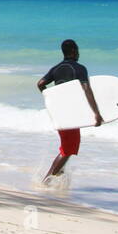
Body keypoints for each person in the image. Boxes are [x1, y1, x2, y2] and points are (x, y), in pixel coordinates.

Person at [37, 39, 102, 182]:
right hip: (71, 114)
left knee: (68, 147)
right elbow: (87, 90)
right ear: (73, 51)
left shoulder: (56, 68)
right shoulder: (80, 68)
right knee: (68, 149)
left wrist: (51, 99)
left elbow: (40, 84)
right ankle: (47, 180)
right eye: (77, 50)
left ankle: (57, 174)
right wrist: (96, 113)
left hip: (59, 112)